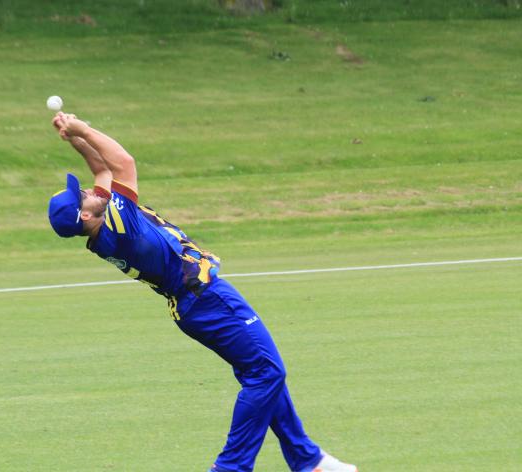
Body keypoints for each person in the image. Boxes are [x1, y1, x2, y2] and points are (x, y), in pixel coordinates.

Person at [46, 112, 358, 472]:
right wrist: (83, 127)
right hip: (208, 298)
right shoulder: (120, 224)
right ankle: (231, 468)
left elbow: (102, 172)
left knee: (261, 372)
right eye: (80, 196)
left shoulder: (104, 227)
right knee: (267, 374)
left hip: (194, 306)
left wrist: (76, 140)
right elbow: (122, 164)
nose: (86, 190)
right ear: (85, 218)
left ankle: (308, 460)